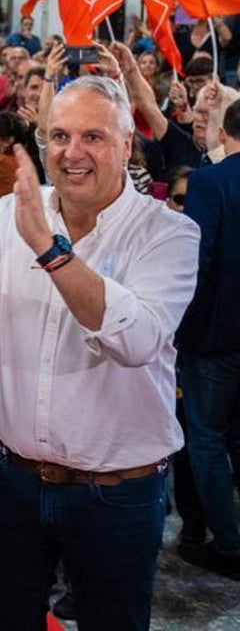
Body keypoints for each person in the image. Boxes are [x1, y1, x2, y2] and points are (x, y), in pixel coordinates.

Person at [0, 76, 200, 630]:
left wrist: (48, 249)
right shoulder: (14, 210)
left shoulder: (168, 234)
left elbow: (137, 340)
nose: (72, 153)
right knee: (6, 618)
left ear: (126, 144)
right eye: (60, 136)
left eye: (92, 137)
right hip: (15, 478)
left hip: (117, 491)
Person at [175, 99, 240, 579]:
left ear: (224, 131)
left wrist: (176, 325)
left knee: (205, 440)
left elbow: (195, 260)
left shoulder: (209, 183)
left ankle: (229, 544)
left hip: (214, 336)